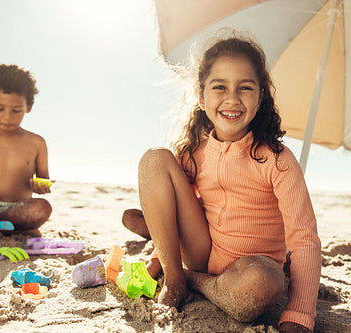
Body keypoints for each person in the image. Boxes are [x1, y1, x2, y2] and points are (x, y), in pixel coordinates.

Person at [123, 35, 321, 332]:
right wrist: (159, 257)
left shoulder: (278, 160)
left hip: (253, 269)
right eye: (219, 87)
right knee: (154, 159)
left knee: (263, 286)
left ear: (261, 97)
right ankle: (175, 280)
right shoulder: (194, 153)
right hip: (203, 251)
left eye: (245, 87)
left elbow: (304, 239)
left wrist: (299, 314)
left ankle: (193, 281)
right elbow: (176, 214)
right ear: (201, 97)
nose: (232, 98)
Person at [0, 64, 52, 236]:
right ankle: (9, 227)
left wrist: (41, 186)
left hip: (18, 208)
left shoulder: (37, 142)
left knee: (42, 207)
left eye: (16, 110)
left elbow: (43, 180)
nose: (7, 116)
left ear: (28, 107)